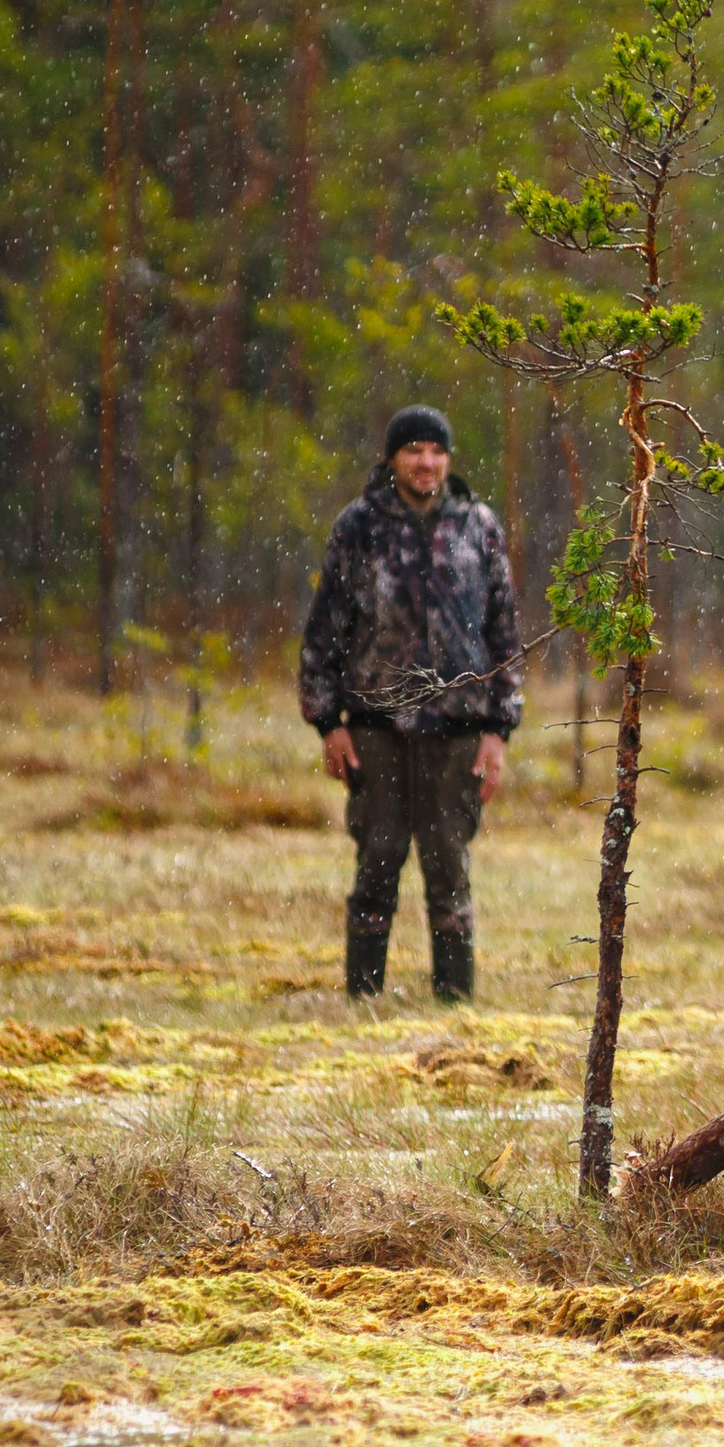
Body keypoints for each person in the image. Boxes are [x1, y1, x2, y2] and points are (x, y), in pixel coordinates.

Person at [300, 406, 522, 1002]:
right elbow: (326, 631)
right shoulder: (359, 526)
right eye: (414, 450)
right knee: (378, 859)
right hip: (376, 726)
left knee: (449, 866)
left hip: (459, 729)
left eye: (436, 451)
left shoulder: (479, 526)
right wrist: (328, 722)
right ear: (393, 458)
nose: (426, 462)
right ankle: (363, 997)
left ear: (448, 459)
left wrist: (499, 729)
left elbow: (505, 635)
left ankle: (455, 1003)